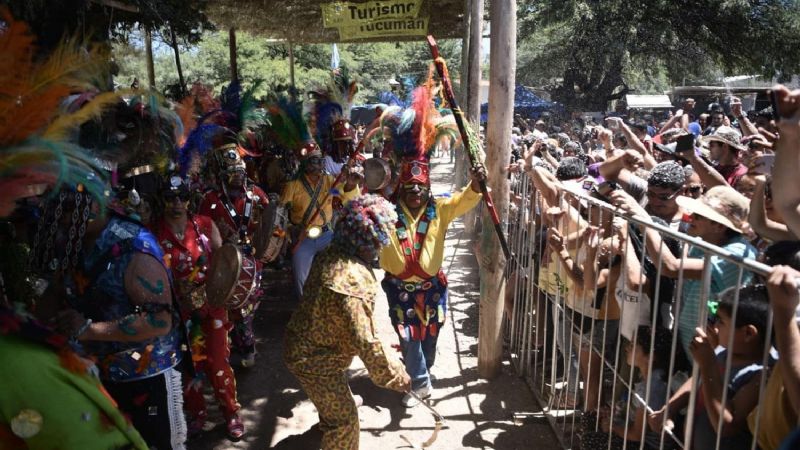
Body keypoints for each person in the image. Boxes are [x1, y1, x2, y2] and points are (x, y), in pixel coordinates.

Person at [378, 87, 486, 407]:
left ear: (428, 188)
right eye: (409, 187)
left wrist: (477, 184)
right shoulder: (383, 207)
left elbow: (466, 199)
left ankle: (422, 371)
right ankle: (419, 383)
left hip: (433, 288)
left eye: (420, 188)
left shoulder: (440, 208)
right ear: (401, 187)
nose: (414, 192)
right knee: (408, 335)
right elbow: (353, 200)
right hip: (399, 288)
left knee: (430, 337)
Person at [284, 194, 411, 450]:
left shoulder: (331, 253)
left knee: (336, 401)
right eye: (380, 240)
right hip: (315, 359)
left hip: (305, 344)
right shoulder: (353, 281)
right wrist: (397, 376)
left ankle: (328, 416)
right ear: (371, 241)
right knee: (345, 422)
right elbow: (366, 341)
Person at [155, 175, 244, 439]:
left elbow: (223, 262)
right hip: (178, 313)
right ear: (162, 201)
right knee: (187, 365)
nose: (177, 203)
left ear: (188, 199)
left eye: (181, 197)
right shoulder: (153, 232)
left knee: (218, 361)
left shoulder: (204, 224)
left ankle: (230, 412)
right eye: (170, 198)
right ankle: (198, 414)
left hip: (211, 305)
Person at [649, 285, 769, 450]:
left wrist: (708, 364)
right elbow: (698, 379)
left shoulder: (760, 375)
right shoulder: (723, 352)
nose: (715, 326)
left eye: (721, 321)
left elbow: (727, 425)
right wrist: (670, 408)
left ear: (748, 333)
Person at [198, 141, 269, 368]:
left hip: (252, 257)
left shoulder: (255, 194)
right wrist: (217, 232)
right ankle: (238, 345)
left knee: (246, 306)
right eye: (232, 173)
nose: (238, 177)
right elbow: (200, 228)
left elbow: (272, 221)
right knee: (232, 306)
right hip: (226, 261)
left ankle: (245, 344)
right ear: (221, 175)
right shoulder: (210, 200)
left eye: (240, 172)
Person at [280, 145, 362, 297]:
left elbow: (343, 198)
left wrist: (350, 184)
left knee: (339, 269)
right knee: (300, 277)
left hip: (326, 235)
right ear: (305, 164)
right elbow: (280, 213)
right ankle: (305, 308)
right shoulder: (293, 186)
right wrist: (290, 230)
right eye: (314, 161)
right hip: (303, 238)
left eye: (320, 161)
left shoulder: (329, 182)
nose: (318, 166)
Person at [581, 326, 672, 450]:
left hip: (645, 444)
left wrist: (614, 427)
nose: (627, 348)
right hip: (631, 429)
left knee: (590, 440)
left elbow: (637, 435)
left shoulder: (653, 387)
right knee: (591, 417)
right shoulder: (645, 376)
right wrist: (613, 415)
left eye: (633, 345)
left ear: (650, 356)